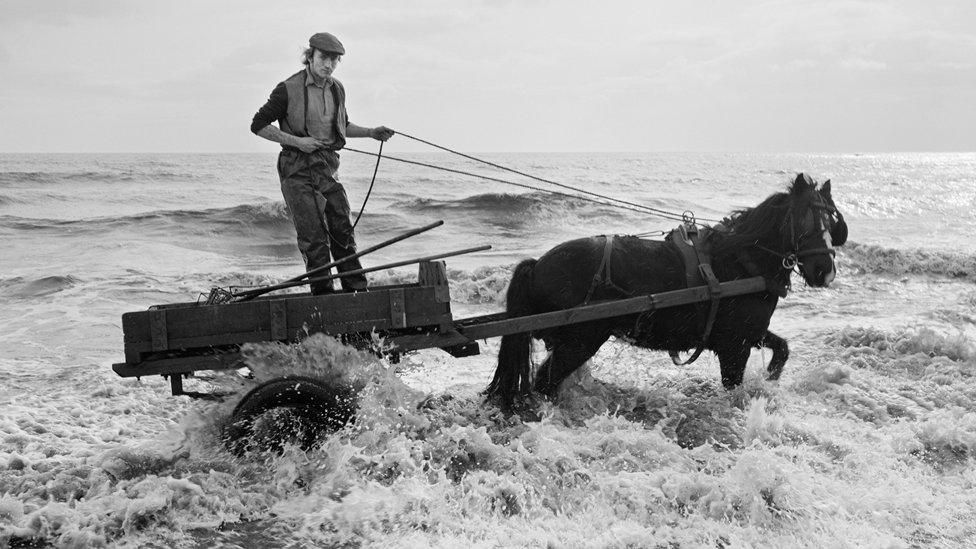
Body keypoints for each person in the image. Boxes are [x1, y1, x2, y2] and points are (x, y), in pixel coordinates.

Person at [251, 32, 395, 294]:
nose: (328, 65)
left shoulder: (337, 88)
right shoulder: (287, 89)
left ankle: (357, 296)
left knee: (343, 232)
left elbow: (343, 126)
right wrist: (297, 142)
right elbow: (258, 125)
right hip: (295, 169)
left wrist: (371, 132)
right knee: (314, 240)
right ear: (310, 56)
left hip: (327, 168)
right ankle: (324, 301)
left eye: (334, 60)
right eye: (324, 58)